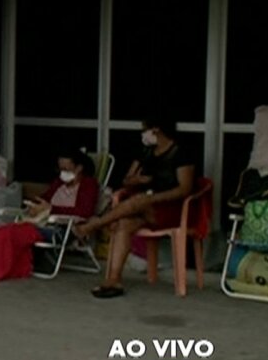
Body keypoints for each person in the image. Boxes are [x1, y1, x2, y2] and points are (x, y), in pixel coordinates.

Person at [74, 116, 195, 298]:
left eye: (144, 130)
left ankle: (93, 225)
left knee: (139, 200)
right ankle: (114, 280)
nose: (143, 134)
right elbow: (126, 180)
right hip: (140, 207)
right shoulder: (145, 152)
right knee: (123, 223)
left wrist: (154, 198)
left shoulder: (180, 153)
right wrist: (137, 180)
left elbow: (184, 189)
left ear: (156, 130)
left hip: (169, 209)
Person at [0, 150, 99, 283]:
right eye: (60, 169)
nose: (62, 174)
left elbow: (84, 212)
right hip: (40, 223)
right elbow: (44, 199)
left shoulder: (88, 185)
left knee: (10, 233)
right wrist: (34, 207)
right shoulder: (59, 184)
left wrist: (51, 209)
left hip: (61, 228)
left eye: (66, 169)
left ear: (78, 169)